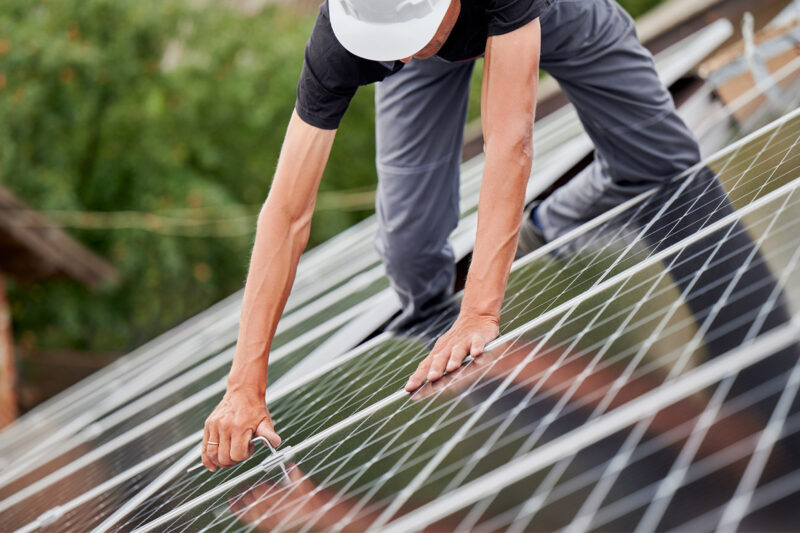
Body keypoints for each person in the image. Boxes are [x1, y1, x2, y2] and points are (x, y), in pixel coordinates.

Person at [200, 0, 715, 472]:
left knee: (665, 164)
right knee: (411, 261)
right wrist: (244, 384)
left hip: (543, 9)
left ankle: (547, 225)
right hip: (432, 42)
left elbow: (508, 141)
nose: (397, 56)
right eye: (387, 44)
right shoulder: (347, 34)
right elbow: (286, 212)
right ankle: (487, 290)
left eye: (408, 37)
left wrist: (480, 314)